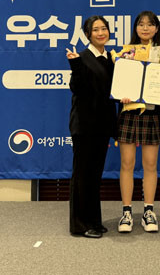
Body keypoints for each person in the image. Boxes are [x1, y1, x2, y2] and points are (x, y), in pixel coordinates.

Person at [116, 11, 160, 233]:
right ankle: (126, 213)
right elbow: (119, 81)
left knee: (150, 165)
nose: (145, 28)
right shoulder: (126, 52)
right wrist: (122, 93)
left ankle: (149, 211)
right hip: (129, 113)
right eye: (141, 24)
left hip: (152, 114)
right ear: (135, 28)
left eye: (150, 24)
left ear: (156, 29)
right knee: (127, 164)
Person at [66, 15, 117, 238]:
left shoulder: (110, 58)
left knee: (94, 176)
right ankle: (80, 225)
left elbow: (112, 92)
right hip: (84, 126)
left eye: (103, 28)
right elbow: (77, 88)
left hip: (102, 126)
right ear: (88, 34)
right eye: (95, 30)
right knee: (82, 176)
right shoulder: (82, 57)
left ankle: (94, 220)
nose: (100, 33)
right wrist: (75, 65)